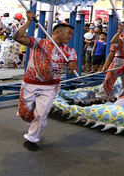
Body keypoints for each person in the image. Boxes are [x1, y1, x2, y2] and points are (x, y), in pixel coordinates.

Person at [12, 11, 78, 151]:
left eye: (71, 34)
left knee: (41, 114)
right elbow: (17, 37)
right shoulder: (39, 42)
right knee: (25, 113)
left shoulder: (70, 51)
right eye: (68, 33)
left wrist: (72, 67)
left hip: (51, 86)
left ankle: (32, 139)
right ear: (58, 32)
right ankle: (31, 122)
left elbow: (73, 68)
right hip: (30, 83)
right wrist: (29, 21)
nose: (70, 36)